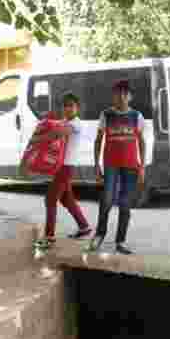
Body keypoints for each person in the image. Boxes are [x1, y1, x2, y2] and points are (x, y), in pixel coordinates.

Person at [88, 79, 146, 255]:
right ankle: (99, 235)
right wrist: (96, 165)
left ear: (130, 96)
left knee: (125, 204)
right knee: (106, 200)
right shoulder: (106, 115)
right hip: (111, 165)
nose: (121, 96)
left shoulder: (137, 116)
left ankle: (121, 241)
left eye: (125, 93)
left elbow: (141, 142)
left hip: (131, 166)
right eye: (118, 93)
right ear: (113, 96)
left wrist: (142, 167)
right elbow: (98, 141)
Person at [31, 92, 91, 250]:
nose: (68, 108)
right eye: (65, 106)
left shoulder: (76, 124)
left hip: (66, 166)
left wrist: (37, 139)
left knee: (50, 199)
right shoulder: (65, 121)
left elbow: (56, 133)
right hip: (60, 165)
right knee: (66, 199)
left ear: (77, 108)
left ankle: (49, 237)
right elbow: (52, 126)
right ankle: (84, 227)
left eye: (71, 105)